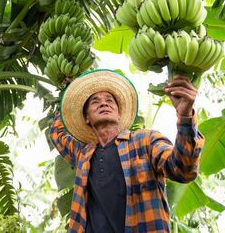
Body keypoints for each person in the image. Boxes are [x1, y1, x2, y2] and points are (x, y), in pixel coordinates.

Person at [50, 69, 204, 232]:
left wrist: (185, 116)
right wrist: (68, 93)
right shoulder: (83, 154)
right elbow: (57, 133)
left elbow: (183, 169)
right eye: (95, 101)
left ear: (118, 114)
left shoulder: (145, 141)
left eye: (110, 100)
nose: (104, 103)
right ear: (86, 117)